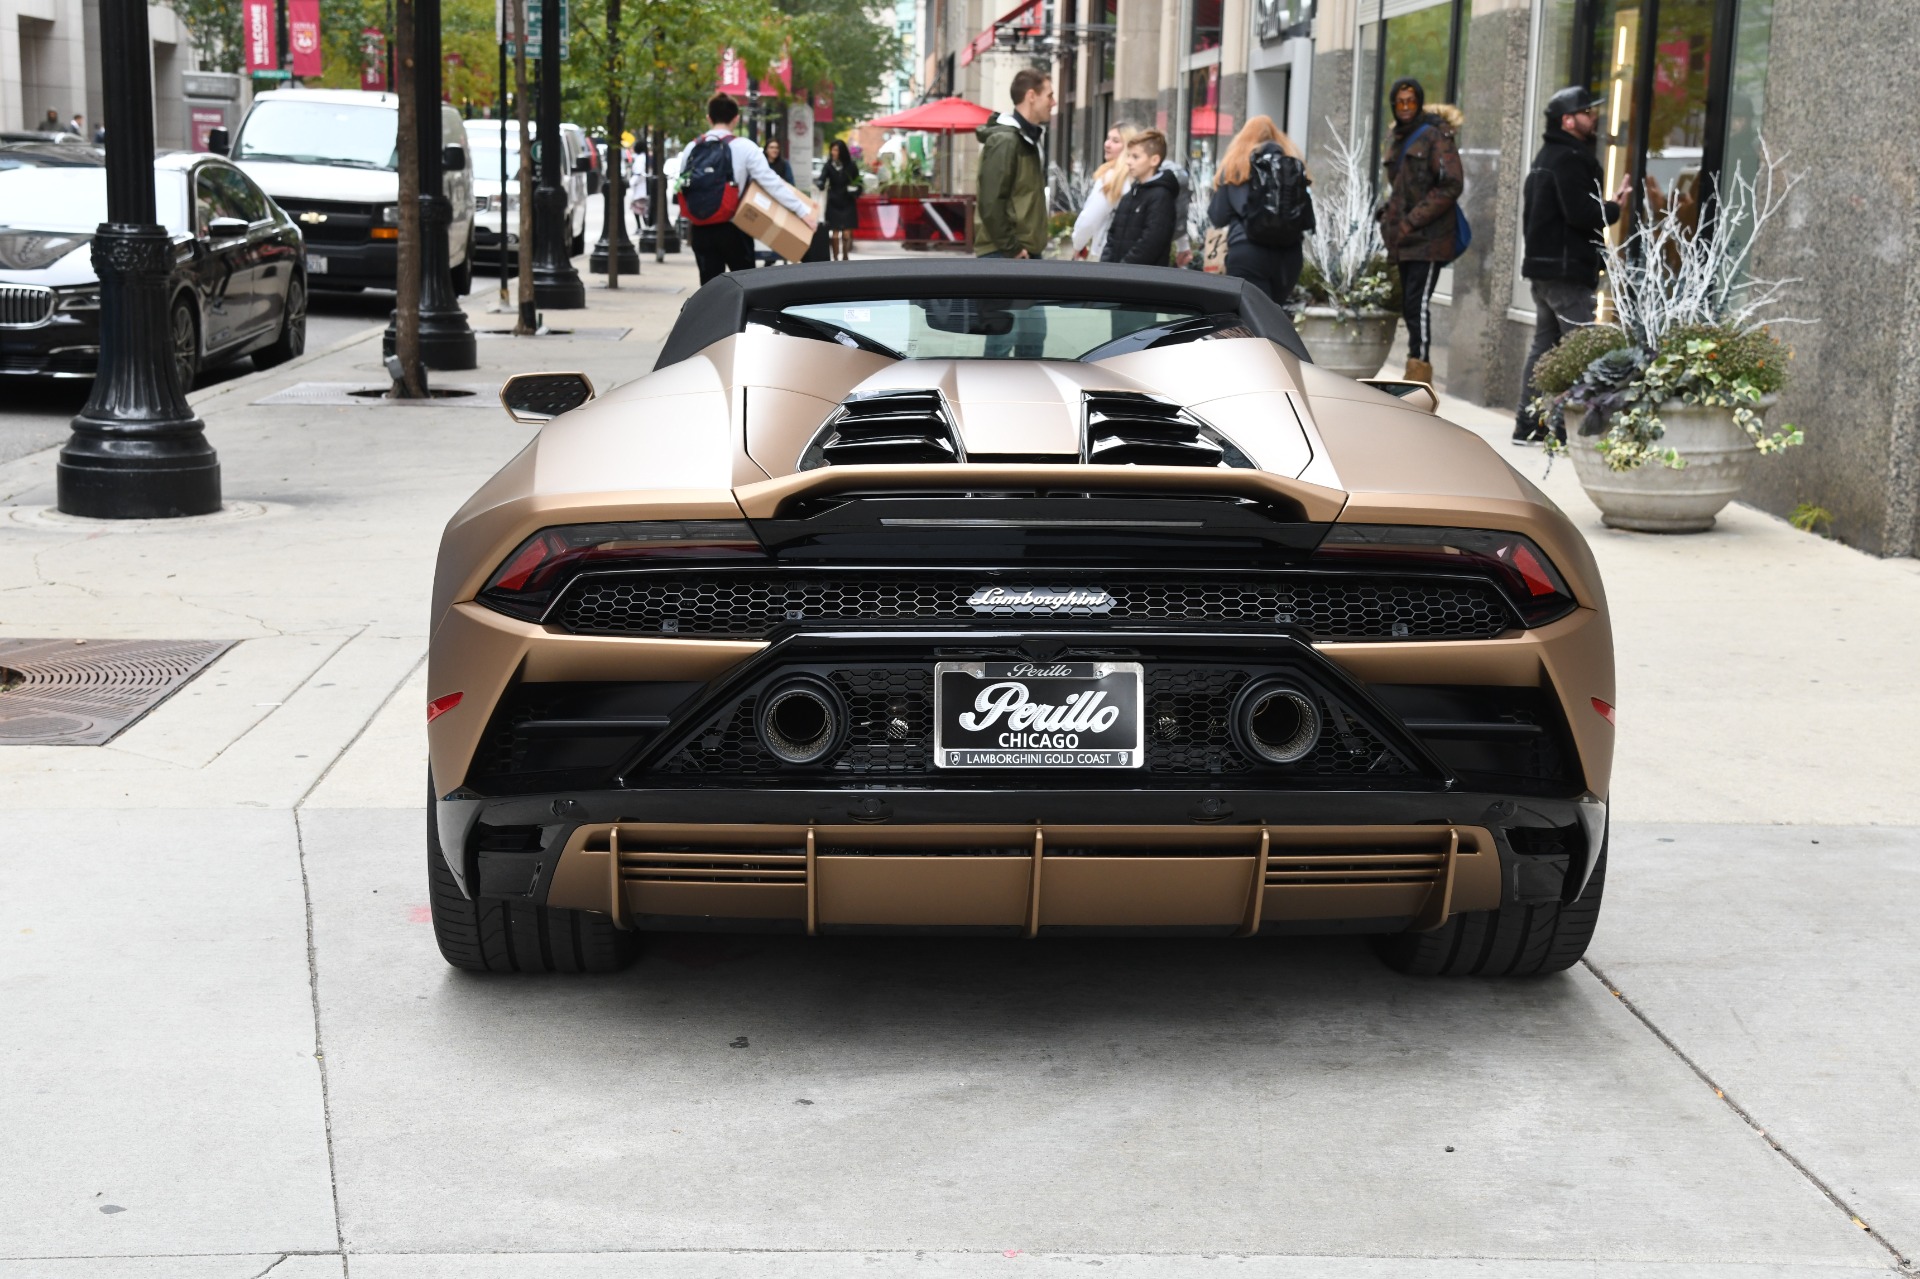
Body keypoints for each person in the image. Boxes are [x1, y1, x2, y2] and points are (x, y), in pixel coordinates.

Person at [1513, 85, 1636, 444]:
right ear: (1568, 121)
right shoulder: (1569, 158)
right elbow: (1581, 213)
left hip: (1544, 271)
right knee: (1580, 352)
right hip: (1565, 273)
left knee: (1545, 351)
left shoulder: (1546, 156)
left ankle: (1529, 426)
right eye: (1586, 112)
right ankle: (1573, 430)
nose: (1592, 116)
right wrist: (1613, 207)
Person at [675, 94, 815, 285]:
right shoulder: (745, 147)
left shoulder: (692, 147)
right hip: (734, 227)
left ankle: (714, 315)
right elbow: (771, 183)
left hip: (701, 228)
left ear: (709, 117)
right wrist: (801, 211)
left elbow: (683, 184)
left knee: (708, 289)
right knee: (746, 287)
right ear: (736, 118)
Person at [1378, 77, 1463, 384]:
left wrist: (1413, 218)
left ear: (1419, 102)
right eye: (1400, 102)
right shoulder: (1397, 137)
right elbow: (1401, 188)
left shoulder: (1435, 135)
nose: (1405, 108)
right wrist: (1389, 214)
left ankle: (1419, 372)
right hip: (1402, 238)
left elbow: (1452, 183)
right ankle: (1414, 364)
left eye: (1410, 102)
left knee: (1418, 303)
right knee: (1409, 304)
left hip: (1430, 238)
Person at [1206, 115, 1313, 302]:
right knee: (1274, 317)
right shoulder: (1292, 167)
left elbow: (1218, 217)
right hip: (1289, 256)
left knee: (1250, 320)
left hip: (1247, 252)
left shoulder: (1235, 168)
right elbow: (1307, 219)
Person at [974, 67, 1053, 260]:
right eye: (1049, 96)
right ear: (1031, 96)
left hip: (1018, 252)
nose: (1054, 103)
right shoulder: (1006, 140)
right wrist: (1013, 248)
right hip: (1005, 254)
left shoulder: (1026, 139)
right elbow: (991, 201)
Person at [1100, 129, 1179, 266]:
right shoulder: (1129, 196)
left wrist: (1124, 269)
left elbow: (1151, 242)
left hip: (1143, 280)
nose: (1128, 162)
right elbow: (1112, 236)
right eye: (1128, 156)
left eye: (1135, 157)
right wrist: (1107, 267)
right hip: (1118, 276)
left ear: (1154, 160)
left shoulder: (1161, 197)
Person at [1071, 123, 1136, 260]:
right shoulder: (1136, 178)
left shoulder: (1112, 179)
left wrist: (1078, 244)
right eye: (1108, 138)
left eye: (1115, 141)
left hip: (1107, 254)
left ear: (1128, 147)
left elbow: (1089, 219)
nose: (1107, 144)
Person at [815, 139, 863, 262]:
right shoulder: (829, 165)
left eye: (836, 149)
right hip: (834, 202)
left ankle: (845, 256)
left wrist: (855, 190)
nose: (833, 152)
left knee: (846, 234)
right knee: (835, 234)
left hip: (847, 202)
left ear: (842, 151)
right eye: (832, 149)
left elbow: (859, 182)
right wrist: (820, 183)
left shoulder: (851, 165)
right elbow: (822, 178)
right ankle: (835, 258)